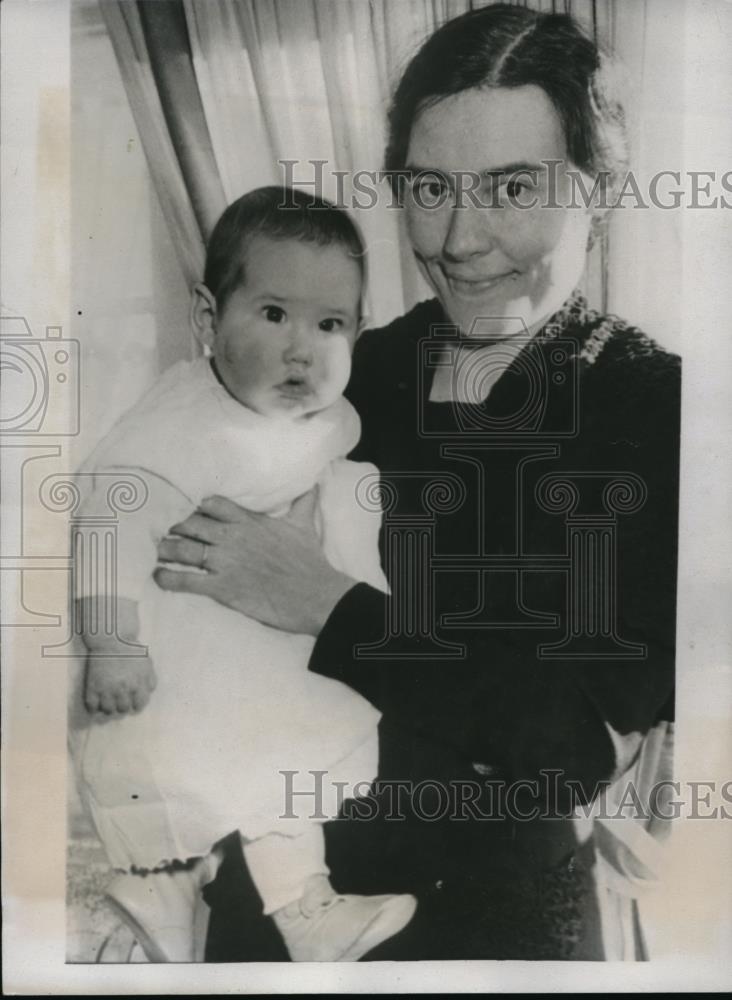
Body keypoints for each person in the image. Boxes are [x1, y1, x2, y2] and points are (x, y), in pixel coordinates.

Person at [154, 4, 680, 961]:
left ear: (600, 192)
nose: (459, 238)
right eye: (428, 187)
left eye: (511, 187)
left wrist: (327, 607)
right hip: (272, 908)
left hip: (485, 923)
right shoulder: (359, 365)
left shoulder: (655, 409)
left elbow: (570, 748)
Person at [70, 187, 417, 963]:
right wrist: (112, 640)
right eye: (273, 315)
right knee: (196, 785)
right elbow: (106, 511)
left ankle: (306, 910)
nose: (303, 349)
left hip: (267, 656)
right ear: (206, 322)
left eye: (329, 325)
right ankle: (156, 890)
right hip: (183, 659)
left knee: (291, 773)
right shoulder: (182, 424)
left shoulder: (319, 418)